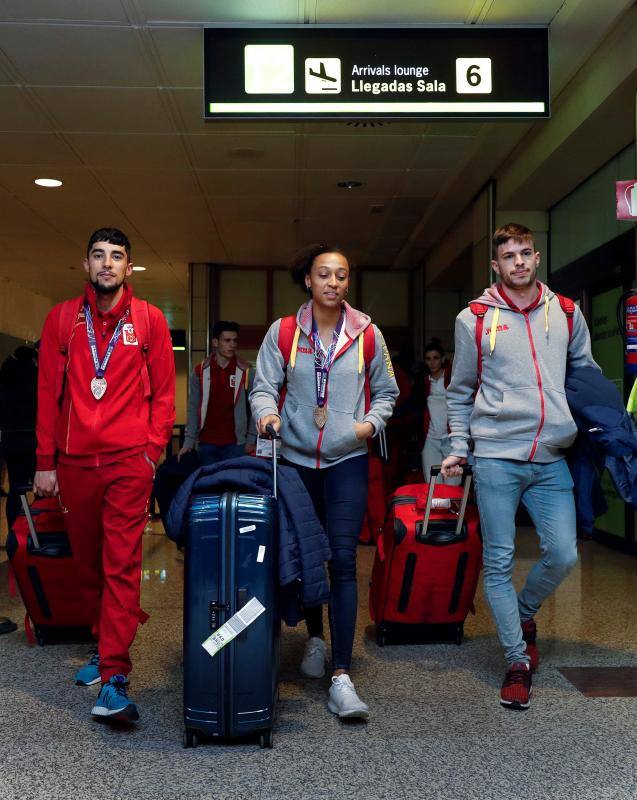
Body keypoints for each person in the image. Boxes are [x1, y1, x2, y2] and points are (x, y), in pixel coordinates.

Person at [441, 222, 598, 711]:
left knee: (563, 554)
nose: (520, 263)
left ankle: (524, 613)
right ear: (497, 265)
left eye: (526, 254)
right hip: (495, 454)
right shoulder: (475, 319)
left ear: (535, 256)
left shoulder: (567, 312)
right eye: (509, 257)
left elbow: (586, 377)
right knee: (500, 561)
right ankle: (516, 660)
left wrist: (599, 428)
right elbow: (461, 389)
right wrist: (458, 446)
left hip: (551, 454)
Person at [250, 243, 398, 720]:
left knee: (342, 560)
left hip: (346, 461)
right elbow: (262, 387)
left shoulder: (368, 334)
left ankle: (341, 672)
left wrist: (366, 427)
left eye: (341, 275)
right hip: (294, 461)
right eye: (324, 275)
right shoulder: (284, 332)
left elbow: (388, 393)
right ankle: (314, 638)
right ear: (308, 282)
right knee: (306, 556)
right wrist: (268, 415)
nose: (333, 283)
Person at [33, 227, 175, 723]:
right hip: (73, 463)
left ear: (129, 267)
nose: (107, 264)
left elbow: (162, 393)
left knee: (119, 563)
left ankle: (115, 674)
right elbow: (48, 392)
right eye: (99, 256)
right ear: (86, 265)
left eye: (117, 256)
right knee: (88, 564)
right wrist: (44, 461)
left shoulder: (150, 320)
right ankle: (103, 641)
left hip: (126, 463)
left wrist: (152, 451)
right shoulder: (62, 320)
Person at [178, 321, 255, 465]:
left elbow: (254, 409)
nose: (232, 345)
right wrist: (188, 442)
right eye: (227, 340)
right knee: (207, 485)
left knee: (233, 486)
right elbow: (193, 408)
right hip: (206, 444)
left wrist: (251, 440)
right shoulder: (200, 372)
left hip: (236, 445)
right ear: (215, 342)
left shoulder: (246, 372)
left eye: (235, 340)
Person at [0, 345, 38, 530]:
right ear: (32, 360)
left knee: (16, 489)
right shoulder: (34, 378)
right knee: (40, 491)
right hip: (31, 441)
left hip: (9, 441)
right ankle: (37, 533)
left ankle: (13, 536)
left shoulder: (5, 378)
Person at [420, 339, 455, 483]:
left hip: (452, 438)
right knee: (432, 482)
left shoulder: (453, 379)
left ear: (442, 359)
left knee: (453, 483)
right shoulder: (422, 382)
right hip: (430, 439)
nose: (432, 362)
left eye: (435, 358)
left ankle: (453, 507)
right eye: (428, 359)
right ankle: (434, 507)